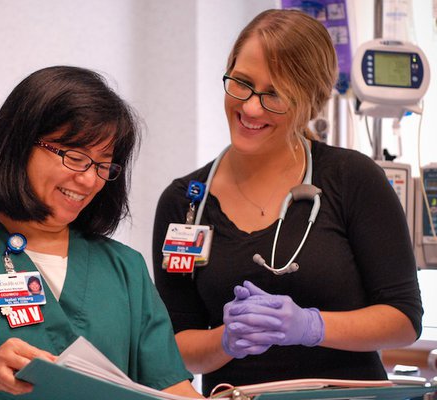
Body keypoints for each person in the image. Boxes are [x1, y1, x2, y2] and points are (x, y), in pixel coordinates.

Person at [0, 66, 203, 399]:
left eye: (103, 165)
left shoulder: (124, 268)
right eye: (74, 156)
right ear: (20, 144)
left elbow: (169, 386)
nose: (89, 180)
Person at [152, 9, 423, 396]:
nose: (250, 108)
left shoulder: (352, 179)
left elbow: (404, 318)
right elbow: (176, 348)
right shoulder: (184, 203)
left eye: (274, 94)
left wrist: (312, 326)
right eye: (242, 83)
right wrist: (226, 340)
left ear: (310, 102)